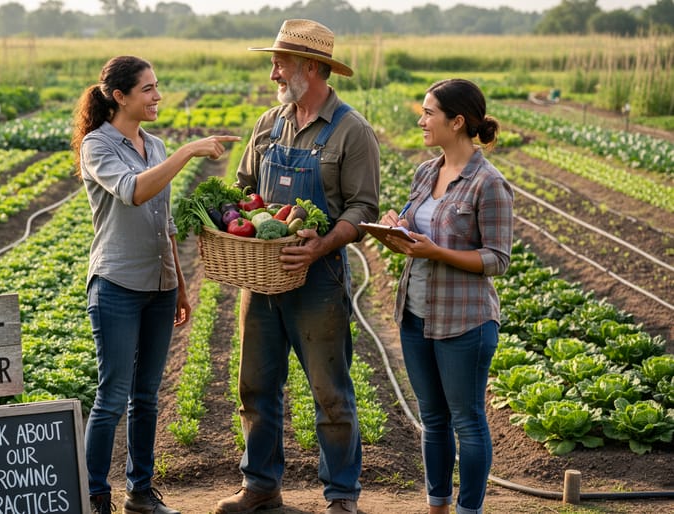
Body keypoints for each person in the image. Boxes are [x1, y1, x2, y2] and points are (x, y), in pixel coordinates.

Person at [215, 19, 380, 514]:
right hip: (261, 280)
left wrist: (321, 242)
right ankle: (261, 486)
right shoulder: (268, 123)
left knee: (331, 392)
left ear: (312, 68)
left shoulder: (352, 131)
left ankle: (341, 496)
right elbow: (244, 189)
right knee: (256, 386)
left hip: (318, 282)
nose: (273, 74)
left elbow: (363, 209)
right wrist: (233, 222)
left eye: (280, 63)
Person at [72, 55, 240, 514]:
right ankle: (95, 495)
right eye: (147, 89)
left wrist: (181, 285)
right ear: (120, 96)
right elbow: (132, 191)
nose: (157, 96)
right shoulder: (97, 146)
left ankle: (140, 492)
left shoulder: (157, 145)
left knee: (146, 397)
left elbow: (164, 223)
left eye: (157, 86)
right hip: (116, 283)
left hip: (161, 286)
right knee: (111, 396)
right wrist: (188, 152)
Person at [378, 78, 514, 514]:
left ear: (457, 122)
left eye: (428, 113)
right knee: (432, 420)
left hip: (465, 322)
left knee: (467, 422)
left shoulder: (488, 184)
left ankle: (468, 510)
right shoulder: (425, 171)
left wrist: (437, 251)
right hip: (416, 315)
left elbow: (497, 258)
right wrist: (392, 228)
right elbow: (415, 227)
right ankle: (437, 507)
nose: (421, 120)